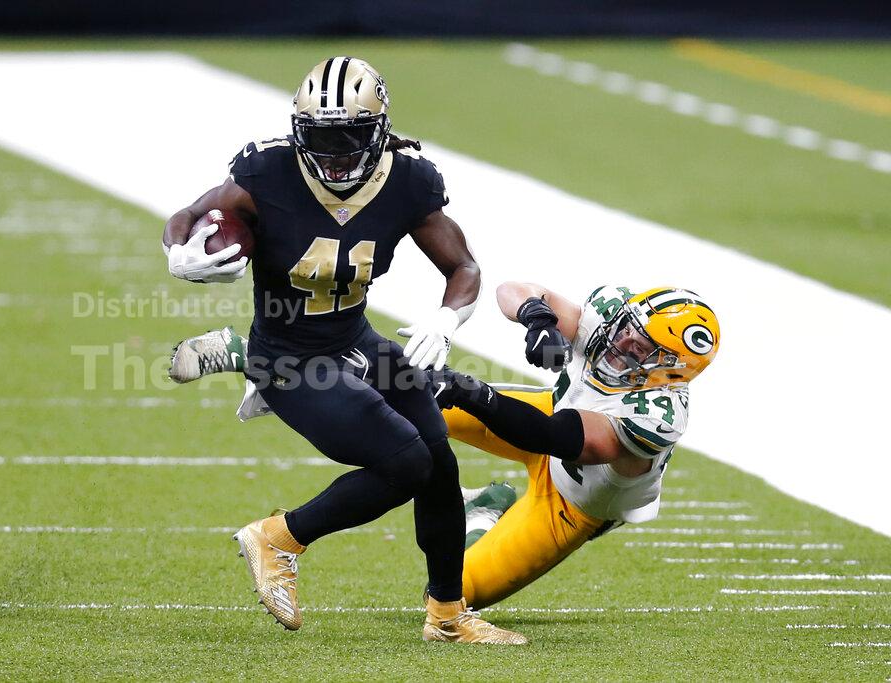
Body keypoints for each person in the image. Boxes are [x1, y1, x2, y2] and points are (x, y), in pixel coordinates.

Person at [162, 57, 525, 644]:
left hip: (355, 340)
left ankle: (447, 616)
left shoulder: (407, 179)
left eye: (348, 138)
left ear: (378, 129)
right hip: (288, 358)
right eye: (321, 138)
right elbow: (187, 215)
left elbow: (463, 267)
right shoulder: (268, 171)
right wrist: (178, 252)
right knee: (406, 462)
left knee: (438, 459)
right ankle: (278, 538)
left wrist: (447, 317)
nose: (333, 155)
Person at [433, 282, 720, 608]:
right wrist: (536, 316)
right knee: (423, 401)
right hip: (548, 414)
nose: (621, 341)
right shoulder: (610, 319)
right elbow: (511, 290)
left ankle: (483, 515)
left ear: (670, 371)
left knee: (449, 592)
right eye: (628, 327)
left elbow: (554, 437)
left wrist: (471, 393)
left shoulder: (656, 415)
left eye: (641, 348)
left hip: (570, 502)